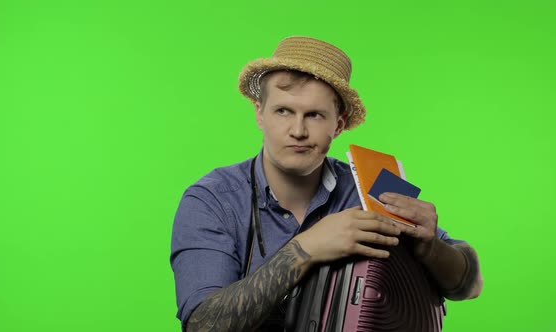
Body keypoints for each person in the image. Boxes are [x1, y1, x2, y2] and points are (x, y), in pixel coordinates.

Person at [170, 36, 483, 331]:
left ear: (340, 124)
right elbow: (201, 324)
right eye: (283, 111)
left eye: (315, 115)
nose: (298, 130)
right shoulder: (212, 199)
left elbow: (470, 284)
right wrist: (306, 248)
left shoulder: (375, 186)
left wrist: (431, 248)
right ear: (260, 114)